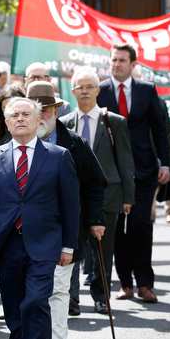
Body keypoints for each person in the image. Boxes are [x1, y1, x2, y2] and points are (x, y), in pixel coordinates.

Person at [0, 97, 79, 339]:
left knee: (34, 301)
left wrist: (69, 245)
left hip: (44, 244)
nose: (20, 119)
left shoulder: (58, 156)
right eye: (14, 116)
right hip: (6, 245)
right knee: (14, 308)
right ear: (7, 123)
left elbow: (70, 205)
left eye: (25, 115)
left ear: (37, 120)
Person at [26, 81, 106, 339]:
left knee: (58, 289)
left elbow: (97, 183)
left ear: (56, 110)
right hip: (25, 232)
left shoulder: (74, 143)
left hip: (63, 230)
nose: (43, 115)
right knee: (32, 293)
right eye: (36, 109)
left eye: (47, 109)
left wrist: (95, 219)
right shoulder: (13, 142)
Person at [97, 43, 170, 303]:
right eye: (113, 60)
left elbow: (161, 129)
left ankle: (145, 284)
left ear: (133, 64)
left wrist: (166, 164)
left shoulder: (147, 91)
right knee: (118, 228)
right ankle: (125, 283)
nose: (117, 64)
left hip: (144, 169)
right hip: (112, 172)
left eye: (122, 60)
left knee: (140, 225)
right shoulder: (100, 91)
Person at [61, 68, 135, 315]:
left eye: (89, 86)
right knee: (71, 247)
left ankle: (101, 295)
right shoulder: (64, 124)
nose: (84, 91)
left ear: (98, 90)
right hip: (73, 197)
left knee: (103, 250)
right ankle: (71, 299)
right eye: (80, 87)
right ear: (72, 91)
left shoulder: (114, 122)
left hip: (108, 195)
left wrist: (128, 196)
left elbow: (125, 161)